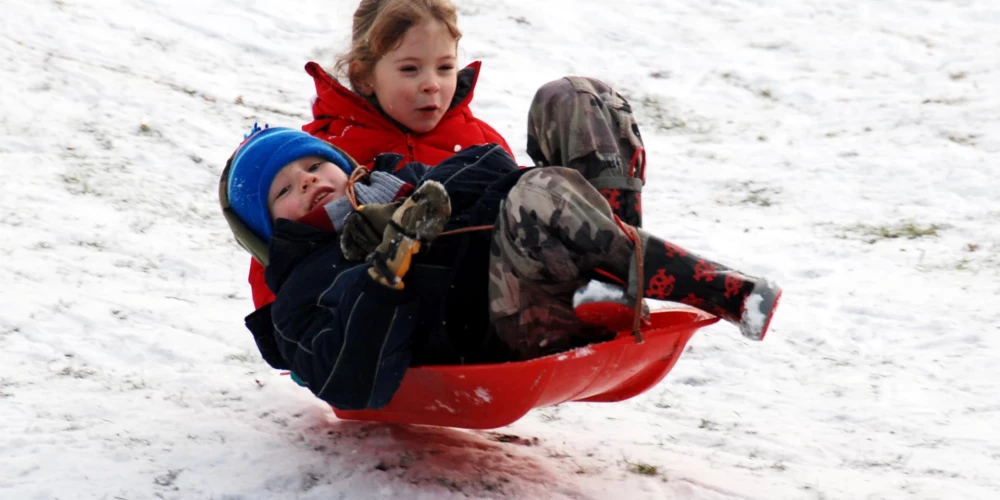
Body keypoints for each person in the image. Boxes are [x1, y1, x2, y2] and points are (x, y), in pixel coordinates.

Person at [219, 127, 782, 411]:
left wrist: (423, 201)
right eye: (285, 191)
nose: (310, 182)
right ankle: (721, 291)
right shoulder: (298, 289)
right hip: (493, 331)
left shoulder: (409, 183)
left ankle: (601, 284)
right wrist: (385, 270)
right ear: (267, 229)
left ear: (346, 166)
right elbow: (350, 382)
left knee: (575, 102)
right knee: (540, 192)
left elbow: (493, 167)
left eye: (316, 165)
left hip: (540, 271)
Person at [247, 0, 648, 313]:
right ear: (364, 74)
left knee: (576, 96)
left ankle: (613, 281)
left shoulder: (479, 137)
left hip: (512, 281)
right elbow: (282, 251)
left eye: (444, 67)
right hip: (416, 316)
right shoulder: (326, 158)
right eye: (410, 69)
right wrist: (299, 337)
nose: (432, 86)